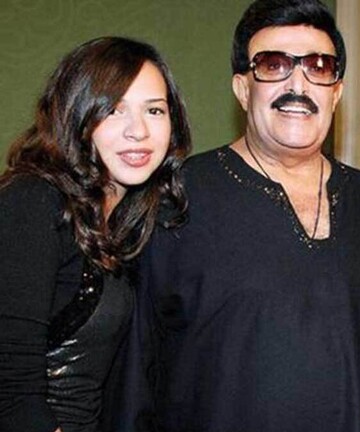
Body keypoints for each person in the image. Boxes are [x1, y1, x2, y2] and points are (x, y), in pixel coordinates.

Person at [109, 1, 360, 431]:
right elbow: (133, 374)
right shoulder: (174, 199)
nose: (298, 84)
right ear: (243, 89)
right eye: (273, 65)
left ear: (336, 92)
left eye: (318, 67)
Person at [0, 36, 191, 432]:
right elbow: (12, 385)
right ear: (77, 115)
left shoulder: (129, 222)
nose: (138, 131)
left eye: (154, 110)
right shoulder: (33, 199)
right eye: (114, 110)